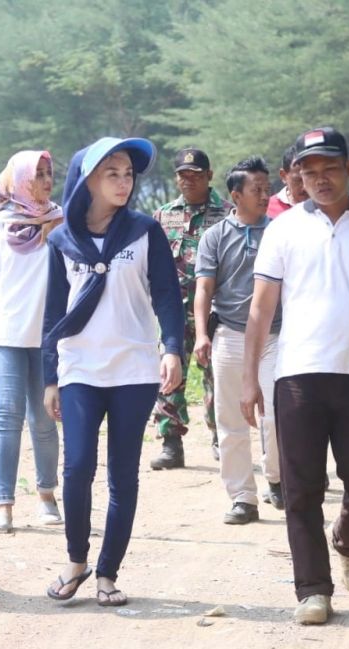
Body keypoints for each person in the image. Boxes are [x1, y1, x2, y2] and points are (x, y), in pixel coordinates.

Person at [241, 127, 349, 625]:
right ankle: (313, 590)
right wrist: (249, 379)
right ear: (297, 176)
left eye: (329, 169)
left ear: (348, 169)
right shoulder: (283, 230)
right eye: (308, 171)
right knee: (301, 489)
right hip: (297, 376)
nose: (319, 179)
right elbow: (260, 309)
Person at [42, 137, 183, 607]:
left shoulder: (145, 231)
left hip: (135, 370)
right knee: (77, 466)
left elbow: (167, 294)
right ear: (88, 181)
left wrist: (172, 349)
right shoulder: (61, 240)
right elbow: (53, 314)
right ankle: (76, 561)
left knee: (123, 475)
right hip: (80, 368)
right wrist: (49, 377)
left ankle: (107, 573)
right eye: (112, 174)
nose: (123, 182)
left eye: (128, 174)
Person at [0, 150, 64, 534]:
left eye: (49, 173)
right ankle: (3, 506)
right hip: (4, 336)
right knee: (6, 416)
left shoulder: (61, 224)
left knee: (43, 418)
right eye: (38, 174)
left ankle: (47, 495)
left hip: (47, 338)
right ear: (19, 180)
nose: (46, 180)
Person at [194, 156, 282, 524]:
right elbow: (204, 288)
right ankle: (243, 497)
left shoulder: (280, 232)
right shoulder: (215, 237)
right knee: (230, 419)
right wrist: (202, 334)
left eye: (267, 188)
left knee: (277, 414)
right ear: (235, 195)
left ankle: (277, 477)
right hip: (230, 335)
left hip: (276, 336)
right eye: (256, 189)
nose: (264, 195)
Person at [149, 149, 230, 469]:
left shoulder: (228, 214)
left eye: (195, 175)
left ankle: (222, 438)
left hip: (216, 311)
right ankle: (171, 443)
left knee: (218, 377)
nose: (189, 181)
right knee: (169, 374)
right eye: (183, 175)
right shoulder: (163, 216)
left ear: (209, 176)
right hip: (174, 312)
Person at [266, 145, 309, 218]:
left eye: (308, 179)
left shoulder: (327, 206)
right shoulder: (267, 209)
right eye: (298, 180)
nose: (304, 187)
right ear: (283, 175)